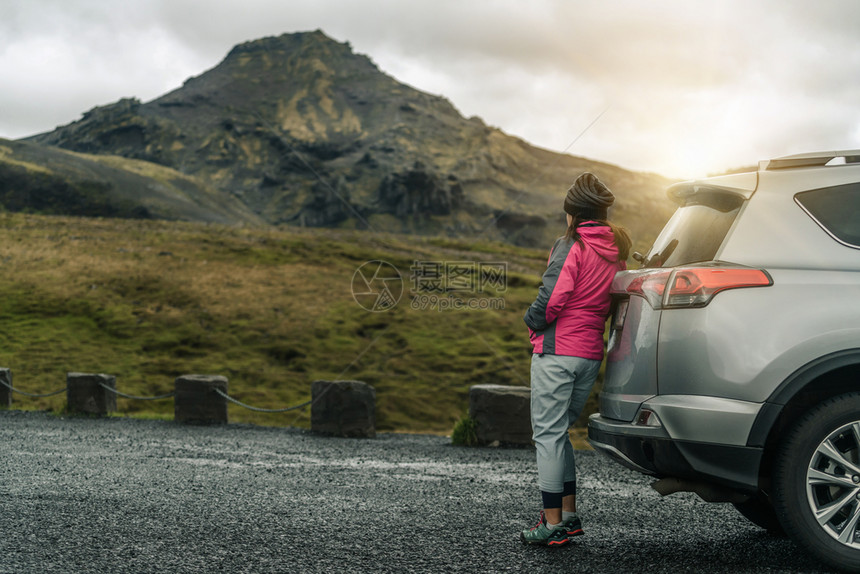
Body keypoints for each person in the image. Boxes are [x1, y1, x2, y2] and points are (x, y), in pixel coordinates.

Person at [520, 172, 631, 546]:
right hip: (588, 355)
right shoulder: (615, 250)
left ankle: (551, 526)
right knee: (560, 434)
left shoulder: (571, 245)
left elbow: (552, 298)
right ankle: (568, 515)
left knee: (547, 436)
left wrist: (531, 323)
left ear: (574, 214)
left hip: (558, 352)